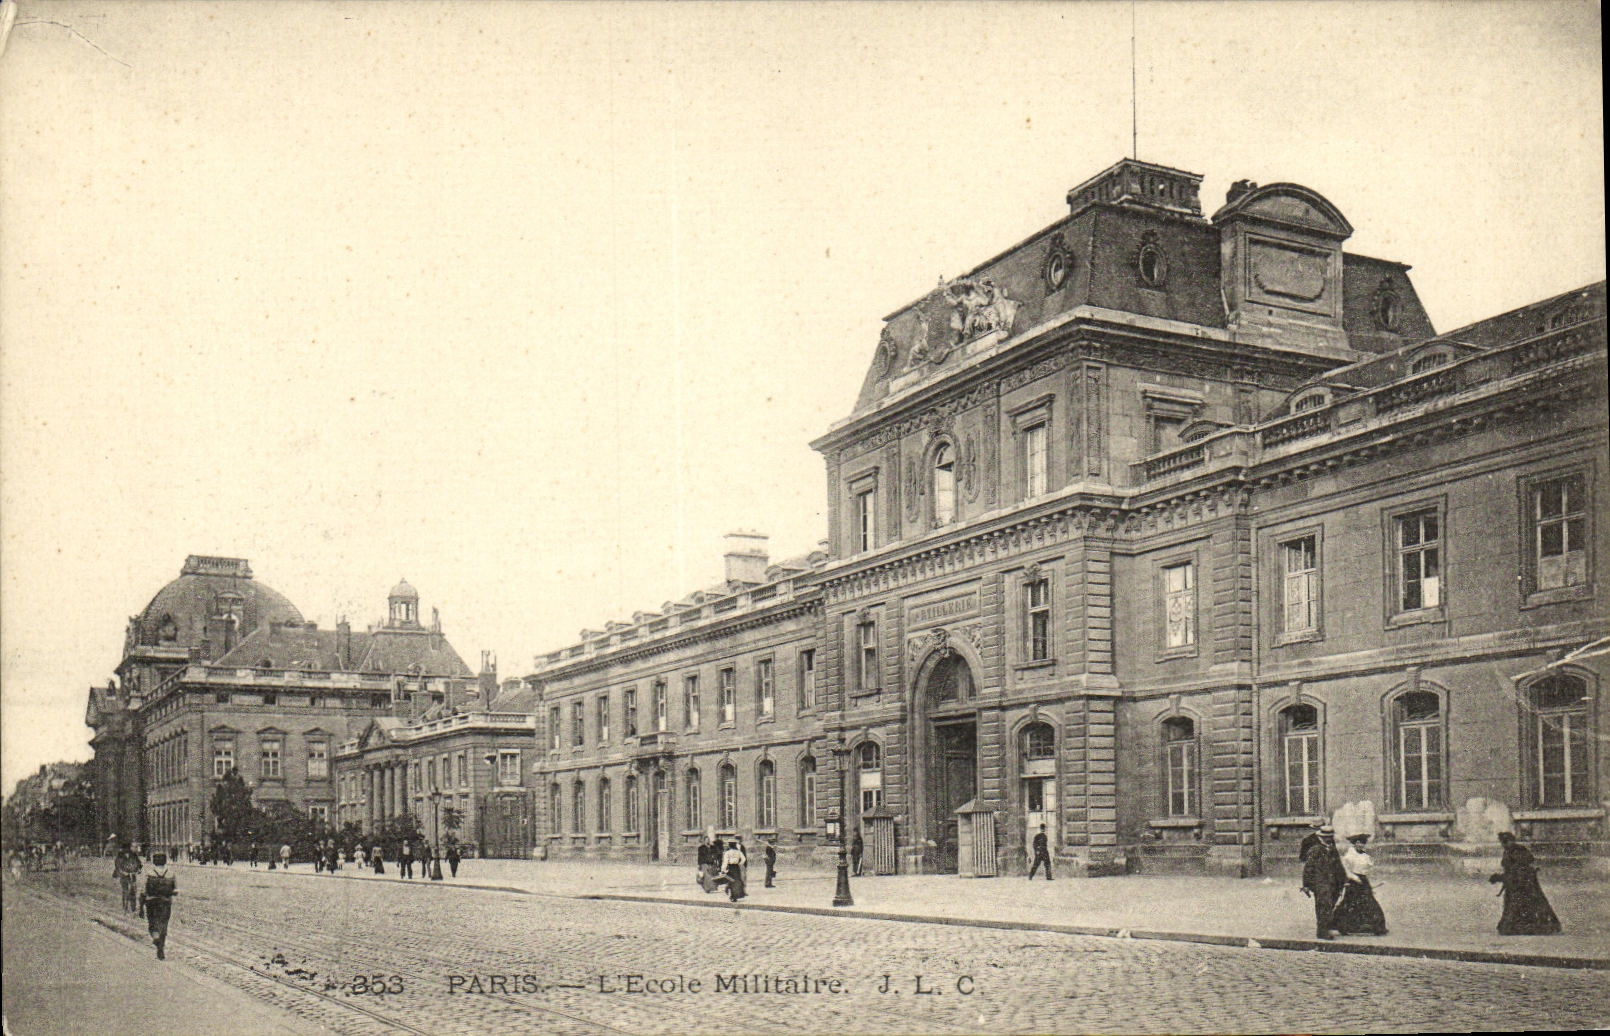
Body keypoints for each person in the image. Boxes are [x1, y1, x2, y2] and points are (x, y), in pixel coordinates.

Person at [1490, 831, 1561, 935]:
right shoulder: (1508, 852)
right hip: (1516, 887)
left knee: (1524, 910)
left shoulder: (1518, 852)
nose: (1504, 845)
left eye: (1506, 842)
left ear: (1511, 841)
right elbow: (1511, 872)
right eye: (1502, 842)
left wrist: (1500, 878)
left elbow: (1517, 873)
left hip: (1523, 887)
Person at [1333, 833, 1389, 935]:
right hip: (1353, 881)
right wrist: (1354, 878)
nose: (1360, 845)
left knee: (1369, 902)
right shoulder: (1349, 856)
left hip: (1363, 881)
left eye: (1362, 843)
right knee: (1350, 903)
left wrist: (1372, 882)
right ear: (1354, 844)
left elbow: (1367, 871)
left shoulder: (1365, 856)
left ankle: (1374, 927)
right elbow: (1346, 870)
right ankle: (1344, 926)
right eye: (1358, 843)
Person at [1300, 824, 1346, 940]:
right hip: (1320, 883)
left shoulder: (1332, 849)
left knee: (1329, 905)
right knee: (1323, 906)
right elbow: (1308, 869)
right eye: (1327, 837)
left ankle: (1326, 927)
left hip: (1333, 883)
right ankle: (1322, 932)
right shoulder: (1315, 850)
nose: (1329, 839)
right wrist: (1306, 885)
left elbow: (1339, 866)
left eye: (1331, 836)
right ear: (1322, 838)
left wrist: (1343, 879)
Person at [139, 851, 178, 960]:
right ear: (165, 861)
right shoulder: (171, 873)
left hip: (152, 902)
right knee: (163, 924)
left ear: (154, 861)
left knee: (152, 924)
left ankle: (156, 939)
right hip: (165, 902)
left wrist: (141, 907)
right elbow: (175, 890)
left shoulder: (149, 873)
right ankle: (161, 946)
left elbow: (143, 891)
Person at [113, 842, 143, 915]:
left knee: (133, 891)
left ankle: (133, 908)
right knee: (125, 891)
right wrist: (122, 872)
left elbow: (139, 864)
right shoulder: (120, 856)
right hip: (124, 876)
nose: (127, 850)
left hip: (132, 876)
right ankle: (125, 907)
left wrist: (139, 869)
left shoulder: (134, 855)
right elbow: (118, 866)